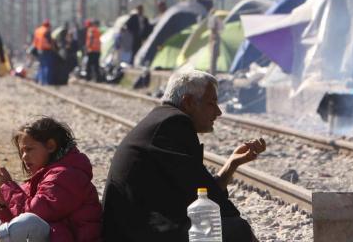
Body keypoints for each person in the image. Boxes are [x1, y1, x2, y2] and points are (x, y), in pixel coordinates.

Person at [102, 70, 265, 241]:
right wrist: (245, 231)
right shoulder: (173, 124)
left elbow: (201, 192)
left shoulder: (163, 120)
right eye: (212, 103)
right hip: (137, 234)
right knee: (236, 229)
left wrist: (231, 165)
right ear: (188, 102)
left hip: (135, 229)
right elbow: (209, 198)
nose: (218, 112)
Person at [0, 117, 102, 242]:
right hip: (57, 235)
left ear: (50, 146)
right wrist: (3, 200)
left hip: (68, 238)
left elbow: (33, 213)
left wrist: (8, 186)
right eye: (22, 151)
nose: (24, 157)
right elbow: (17, 214)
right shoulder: (45, 173)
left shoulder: (67, 175)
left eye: (29, 149)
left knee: (29, 220)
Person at [33, 19, 55, 85]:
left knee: (41, 66)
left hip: (39, 50)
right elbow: (50, 41)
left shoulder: (37, 30)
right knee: (47, 66)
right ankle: (45, 82)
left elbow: (35, 42)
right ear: (48, 26)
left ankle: (40, 80)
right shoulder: (46, 31)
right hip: (46, 50)